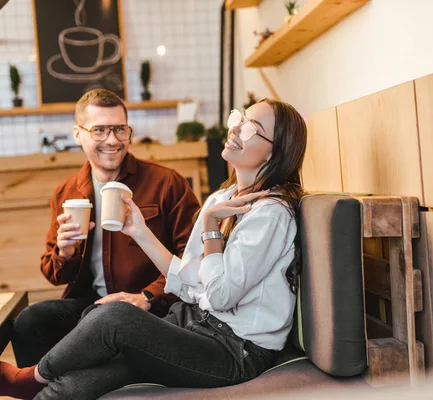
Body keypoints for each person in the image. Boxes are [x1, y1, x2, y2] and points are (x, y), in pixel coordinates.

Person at [0, 98, 307, 400]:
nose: (236, 129)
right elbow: (190, 284)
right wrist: (139, 230)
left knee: (114, 317)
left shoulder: (270, 214)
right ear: (79, 134)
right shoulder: (220, 199)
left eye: (250, 128)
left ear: (275, 152)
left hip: (234, 349)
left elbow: (219, 295)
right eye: (237, 119)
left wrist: (210, 228)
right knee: (80, 381)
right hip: (193, 321)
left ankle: (30, 377)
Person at [11, 89, 200, 368]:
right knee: (28, 322)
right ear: (78, 134)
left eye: (119, 130)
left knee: (95, 321)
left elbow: (194, 260)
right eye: (99, 130)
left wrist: (149, 296)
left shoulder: (167, 183)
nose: (112, 140)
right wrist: (65, 253)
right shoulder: (66, 193)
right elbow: (53, 274)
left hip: (152, 305)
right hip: (94, 303)